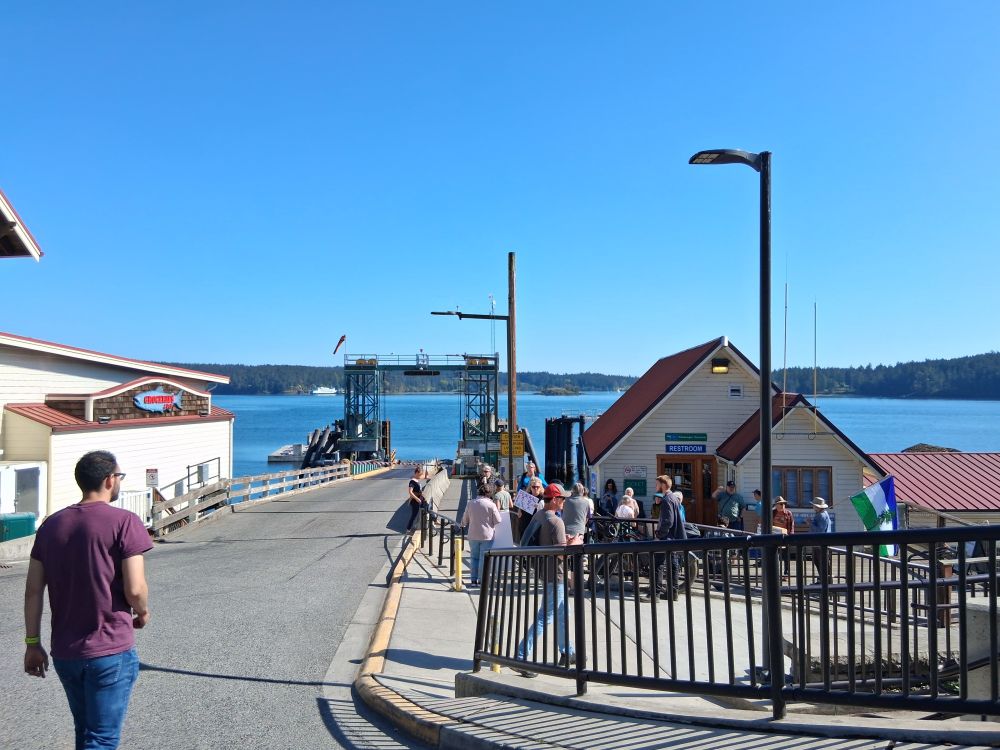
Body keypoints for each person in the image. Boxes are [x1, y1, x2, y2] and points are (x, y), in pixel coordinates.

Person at [24, 450, 153, 750]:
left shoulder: (51, 526)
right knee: (102, 739)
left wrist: (32, 643)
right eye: (119, 477)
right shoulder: (125, 522)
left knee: (85, 732)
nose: (119, 482)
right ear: (109, 480)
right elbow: (135, 589)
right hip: (109, 651)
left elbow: (33, 590)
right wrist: (143, 612)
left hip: (66, 654)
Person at [514, 482, 575, 677]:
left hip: (543, 571)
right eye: (562, 498)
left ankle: (568, 653)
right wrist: (573, 544)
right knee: (545, 617)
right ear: (555, 500)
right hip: (555, 575)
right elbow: (561, 553)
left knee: (563, 613)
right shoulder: (556, 521)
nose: (564, 501)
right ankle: (521, 656)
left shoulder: (540, 515)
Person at [645, 475, 687, 601]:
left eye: (657, 484)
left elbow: (668, 521)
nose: (655, 486)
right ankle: (673, 593)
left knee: (657, 565)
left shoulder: (667, 499)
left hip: (666, 538)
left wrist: (660, 534)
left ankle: (655, 594)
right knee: (673, 565)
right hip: (673, 537)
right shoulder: (673, 497)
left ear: (663, 485)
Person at [462, 481, 503, 586]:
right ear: (489, 494)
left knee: (474, 557)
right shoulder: (491, 505)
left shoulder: (471, 503)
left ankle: (473, 580)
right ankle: (481, 580)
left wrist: (462, 524)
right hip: (487, 536)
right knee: (483, 558)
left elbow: (465, 520)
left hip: (472, 534)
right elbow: (498, 520)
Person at [809, 497, 833, 578]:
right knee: (821, 561)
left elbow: (820, 530)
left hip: (819, 542)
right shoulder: (824, 513)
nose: (813, 507)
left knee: (820, 561)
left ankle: (824, 580)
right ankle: (825, 580)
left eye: (814, 506)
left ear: (817, 507)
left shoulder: (821, 515)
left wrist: (810, 523)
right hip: (823, 541)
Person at [771, 496, 795, 576]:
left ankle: (786, 572)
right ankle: (774, 573)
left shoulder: (788, 513)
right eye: (781, 504)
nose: (783, 505)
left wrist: (790, 535)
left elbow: (791, 525)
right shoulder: (772, 513)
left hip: (785, 537)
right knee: (774, 555)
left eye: (784, 504)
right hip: (774, 537)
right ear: (776, 505)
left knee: (786, 555)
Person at [405, 466, 426, 531]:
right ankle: (408, 529)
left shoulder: (417, 480)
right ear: (416, 473)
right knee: (414, 515)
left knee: (427, 507)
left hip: (420, 499)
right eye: (420, 474)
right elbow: (410, 492)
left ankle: (434, 520)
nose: (421, 476)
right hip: (415, 501)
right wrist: (417, 499)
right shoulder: (412, 481)